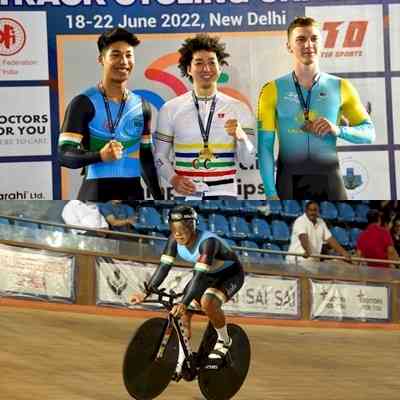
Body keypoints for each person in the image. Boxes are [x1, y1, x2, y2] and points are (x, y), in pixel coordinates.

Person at [257, 17, 375, 200]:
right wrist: (270, 192)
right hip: (288, 180)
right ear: (289, 46)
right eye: (301, 39)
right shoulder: (272, 90)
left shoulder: (341, 87)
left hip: (330, 178)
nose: (308, 45)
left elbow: (369, 133)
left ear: (321, 44)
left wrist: (338, 130)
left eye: (314, 39)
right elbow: (265, 147)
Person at [131, 205, 244, 379]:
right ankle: (183, 361)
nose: (178, 234)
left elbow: (198, 278)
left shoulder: (208, 242)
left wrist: (184, 303)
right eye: (174, 229)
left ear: (192, 227)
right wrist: (145, 292)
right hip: (206, 275)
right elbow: (163, 267)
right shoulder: (173, 240)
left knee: (207, 302)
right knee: (181, 315)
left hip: (229, 275)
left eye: (182, 229)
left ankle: (224, 340)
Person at [58, 28, 163, 202]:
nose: (124, 61)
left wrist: (159, 201)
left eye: (129, 55)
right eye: (115, 55)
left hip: (133, 195)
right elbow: (63, 155)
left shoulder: (142, 105)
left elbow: (146, 159)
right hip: (95, 195)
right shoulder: (83, 102)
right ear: (101, 59)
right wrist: (99, 156)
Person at [154, 33, 256, 199]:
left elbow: (248, 161)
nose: (206, 69)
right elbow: (159, 156)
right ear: (188, 69)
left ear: (220, 68)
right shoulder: (170, 108)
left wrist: (241, 136)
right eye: (199, 63)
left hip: (225, 193)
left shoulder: (240, 108)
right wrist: (173, 179)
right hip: (185, 193)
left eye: (211, 63)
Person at [287, 201, 351, 264]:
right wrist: (306, 250)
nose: (313, 212)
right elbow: (303, 237)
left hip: (313, 261)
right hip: (297, 260)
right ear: (306, 211)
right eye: (310, 210)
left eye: (315, 210)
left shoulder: (321, 222)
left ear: (318, 211)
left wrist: (344, 253)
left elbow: (330, 239)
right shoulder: (300, 221)